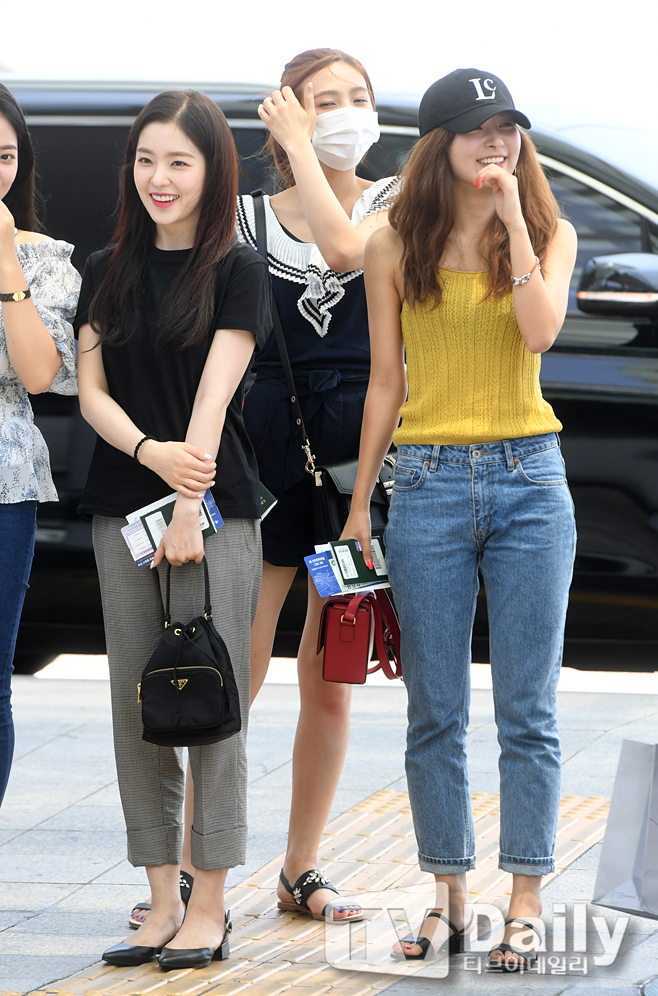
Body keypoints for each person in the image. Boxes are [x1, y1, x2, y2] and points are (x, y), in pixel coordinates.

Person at [134, 49, 396, 929]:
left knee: (333, 671)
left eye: (359, 97)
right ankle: (190, 873)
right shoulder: (243, 218)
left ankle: (301, 867)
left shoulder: (395, 202)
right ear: (287, 115)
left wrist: (308, 154)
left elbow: (347, 248)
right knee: (232, 668)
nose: (348, 111)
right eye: (326, 100)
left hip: (358, 464)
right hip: (262, 454)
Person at [341, 69, 577, 969]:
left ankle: (525, 899)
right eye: (479, 129)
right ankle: (448, 897)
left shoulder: (549, 233)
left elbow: (540, 332)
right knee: (434, 710)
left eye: (508, 127)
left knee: (528, 709)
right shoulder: (390, 245)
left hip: (530, 480)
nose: (497, 142)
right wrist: (360, 504)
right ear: (439, 144)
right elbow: (385, 381)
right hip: (428, 483)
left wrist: (514, 219)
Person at [75, 89, 272, 969]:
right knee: (137, 704)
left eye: (179, 162)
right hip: (123, 504)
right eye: (147, 160)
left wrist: (187, 501)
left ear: (211, 170)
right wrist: (148, 454)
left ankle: (211, 903)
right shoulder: (104, 266)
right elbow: (90, 393)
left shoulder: (236, 268)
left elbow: (215, 396)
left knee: (209, 701)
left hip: (211, 511)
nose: (160, 178)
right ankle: (160, 901)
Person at [0, 83, 78, 808]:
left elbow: (39, 374)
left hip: (5, 487)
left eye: (4, 156)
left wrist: (5, 259)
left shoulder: (45, 259)